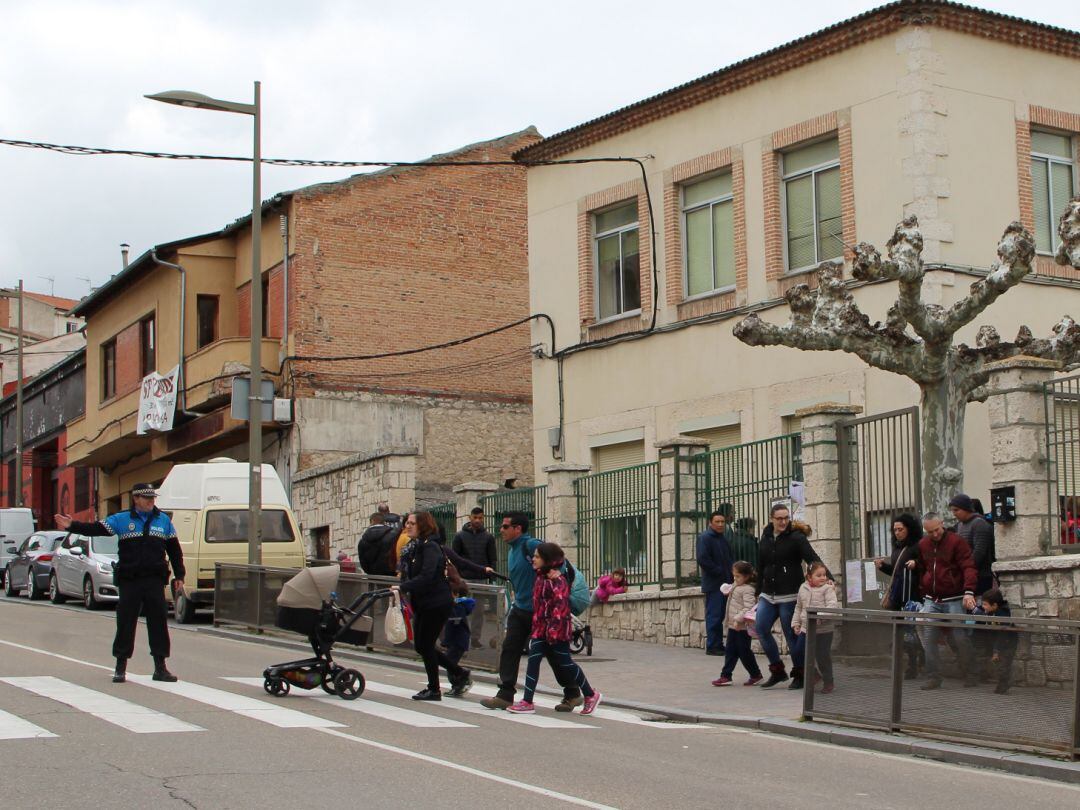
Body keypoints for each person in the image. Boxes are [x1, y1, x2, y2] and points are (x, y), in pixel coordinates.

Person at [55, 483, 184, 684]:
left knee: (158, 623)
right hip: (130, 580)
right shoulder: (122, 519)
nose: (151, 501)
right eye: (146, 497)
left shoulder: (163, 521)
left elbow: (174, 551)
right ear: (136, 499)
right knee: (125, 622)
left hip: (154, 580)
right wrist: (73, 526)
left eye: (153, 498)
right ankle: (120, 667)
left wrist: (180, 576)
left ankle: (160, 667)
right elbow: (97, 528)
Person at [480, 512, 583, 711]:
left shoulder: (531, 545)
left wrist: (557, 589)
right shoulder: (512, 549)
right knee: (510, 648)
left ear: (518, 529)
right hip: (521, 609)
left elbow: (559, 563)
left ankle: (573, 692)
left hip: (541, 612)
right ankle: (505, 694)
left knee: (554, 655)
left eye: (505, 526)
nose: (501, 530)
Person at [394, 511, 487, 700]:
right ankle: (459, 673)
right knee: (422, 646)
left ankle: (435, 688)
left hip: (436, 602)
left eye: (412, 523)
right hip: (423, 602)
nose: (408, 526)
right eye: (407, 523)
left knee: (425, 645)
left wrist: (403, 586)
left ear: (423, 526)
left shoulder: (430, 547)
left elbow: (427, 576)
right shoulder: (418, 546)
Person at [506, 542, 602, 715]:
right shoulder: (540, 578)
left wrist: (553, 632)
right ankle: (527, 701)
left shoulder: (558, 581)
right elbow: (538, 606)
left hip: (556, 632)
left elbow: (560, 609)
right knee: (533, 661)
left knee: (567, 664)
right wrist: (537, 627)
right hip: (540, 629)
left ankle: (590, 694)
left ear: (547, 559)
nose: (533, 559)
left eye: (537, 557)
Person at [755, 503, 829, 690]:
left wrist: (827, 578)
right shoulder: (765, 538)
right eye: (779, 518)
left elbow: (813, 558)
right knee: (761, 628)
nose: (783, 521)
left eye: (786, 518)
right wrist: (757, 591)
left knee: (791, 635)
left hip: (789, 594)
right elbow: (761, 565)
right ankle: (778, 670)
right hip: (768, 593)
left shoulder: (796, 538)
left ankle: (801, 674)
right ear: (771, 519)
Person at [906, 511, 978, 690]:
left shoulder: (956, 542)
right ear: (925, 531)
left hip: (954, 596)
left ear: (942, 524)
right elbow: (925, 566)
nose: (935, 534)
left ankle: (971, 673)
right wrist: (919, 570)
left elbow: (968, 566)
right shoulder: (924, 544)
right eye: (930, 532)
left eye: (937, 530)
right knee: (929, 637)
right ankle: (934, 676)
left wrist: (968, 591)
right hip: (933, 597)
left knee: (960, 636)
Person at [875, 513, 924, 679]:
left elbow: (925, 565)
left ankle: (916, 663)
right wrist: (882, 566)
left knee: (913, 631)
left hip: (913, 594)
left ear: (909, 529)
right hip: (898, 593)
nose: (897, 532)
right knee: (902, 631)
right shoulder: (897, 547)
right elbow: (897, 571)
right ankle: (910, 663)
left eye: (900, 529)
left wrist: (916, 564)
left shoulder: (917, 546)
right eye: (895, 529)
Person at [712, 561, 763, 686]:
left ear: (747, 576)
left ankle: (755, 674)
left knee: (744, 651)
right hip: (733, 626)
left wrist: (737, 619)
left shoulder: (748, 589)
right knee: (730, 650)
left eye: (738, 576)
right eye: (734, 576)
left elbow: (749, 607)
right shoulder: (737, 585)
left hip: (742, 626)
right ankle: (726, 675)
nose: (735, 578)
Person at [452, 507, 497, 647]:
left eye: (480, 518)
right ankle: (459, 636)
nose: (478, 520)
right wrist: (457, 578)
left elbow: (492, 559)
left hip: (481, 578)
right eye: (475, 517)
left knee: (478, 611)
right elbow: (455, 557)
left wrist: (491, 577)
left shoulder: (489, 537)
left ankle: (475, 638)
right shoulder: (459, 536)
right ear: (470, 518)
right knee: (460, 609)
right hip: (464, 579)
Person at [792, 562, 839, 693]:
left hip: (824, 629)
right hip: (806, 628)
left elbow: (832, 606)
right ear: (809, 577)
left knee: (822, 656)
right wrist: (796, 623)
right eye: (819, 575)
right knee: (798, 652)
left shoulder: (828, 589)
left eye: (824, 575)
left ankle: (829, 681)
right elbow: (799, 607)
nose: (823, 578)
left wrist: (820, 616)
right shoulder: (803, 588)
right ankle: (814, 674)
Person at [696, 510, 735, 655]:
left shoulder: (722, 538)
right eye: (717, 522)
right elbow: (703, 559)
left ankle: (718, 644)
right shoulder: (705, 538)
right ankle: (713, 645)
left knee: (720, 615)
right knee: (714, 615)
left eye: (722, 522)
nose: (720, 524)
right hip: (714, 584)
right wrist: (719, 571)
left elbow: (729, 558)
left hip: (725, 582)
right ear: (710, 523)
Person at [972, 587, 1017, 694]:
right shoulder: (991, 610)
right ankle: (1005, 680)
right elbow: (981, 614)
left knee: (1003, 664)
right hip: (995, 641)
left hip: (1007, 642)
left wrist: (996, 651)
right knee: (1000, 664)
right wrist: (973, 608)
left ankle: (1004, 684)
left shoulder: (1003, 615)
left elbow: (1003, 634)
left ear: (995, 605)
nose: (983, 607)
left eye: (985, 605)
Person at [950, 493, 995, 594]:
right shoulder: (959, 525)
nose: (954, 513)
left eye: (956, 510)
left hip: (981, 576)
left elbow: (979, 552)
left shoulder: (979, 523)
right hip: (965, 574)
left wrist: (965, 568)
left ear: (966, 508)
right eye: (953, 510)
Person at [442, 582, 476, 669]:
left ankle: (463, 675)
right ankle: (459, 678)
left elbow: (454, 620)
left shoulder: (458, 607)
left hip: (457, 641)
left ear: (455, 594)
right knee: (450, 663)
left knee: (449, 663)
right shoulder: (459, 606)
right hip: (456, 641)